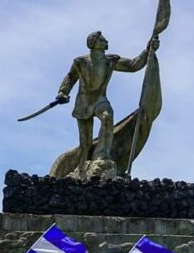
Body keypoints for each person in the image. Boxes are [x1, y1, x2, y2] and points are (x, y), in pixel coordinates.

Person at [56, 31, 158, 174]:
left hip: (100, 100)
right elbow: (70, 77)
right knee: (85, 143)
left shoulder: (110, 60)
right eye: (103, 40)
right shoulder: (81, 62)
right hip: (84, 103)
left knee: (107, 116)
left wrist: (148, 50)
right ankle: (82, 169)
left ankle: (102, 155)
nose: (106, 41)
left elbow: (133, 65)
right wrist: (63, 92)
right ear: (94, 43)